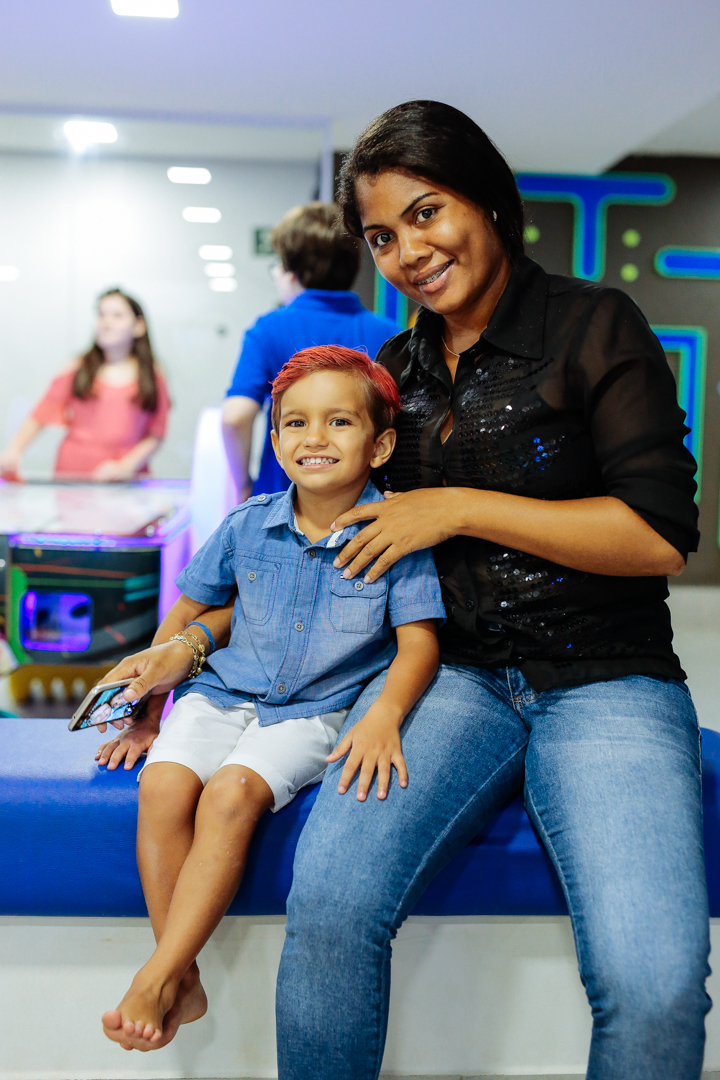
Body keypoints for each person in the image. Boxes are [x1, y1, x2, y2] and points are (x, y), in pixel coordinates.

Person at [100, 100, 712, 1080]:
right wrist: (182, 652)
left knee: (654, 982)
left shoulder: (594, 325)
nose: (408, 252)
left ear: (489, 201)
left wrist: (459, 506)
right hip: (446, 679)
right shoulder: (392, 372)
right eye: (382, 236)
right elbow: (292, 564)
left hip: (606, 678)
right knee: (330, 902)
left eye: (427, 213)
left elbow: (658, 536)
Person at [95, 345, 445, 1052]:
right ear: (276, 441)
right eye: (294, 423)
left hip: (314, 711)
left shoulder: (397, 533)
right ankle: (183, 976)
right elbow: (184, 617)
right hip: (221, 692)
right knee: (162, 785)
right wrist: (148, 711)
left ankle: (156, 975)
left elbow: (419, 643)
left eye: (339, 421)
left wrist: (384, 715)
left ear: (379, 446)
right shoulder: (246, 524)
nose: (314, 438)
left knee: (231, 795)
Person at [222, 201, 397, 502]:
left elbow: (235, 417)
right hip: (365, 506)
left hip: (283, 503)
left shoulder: (269, 328)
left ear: (291, 271)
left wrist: (242, 484)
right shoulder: (390, 333)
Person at [0, 289, 170, 480]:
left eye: (117, 316)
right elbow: (41, 414)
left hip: (127, 478)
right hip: (74, 473)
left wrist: (125, 466)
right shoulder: (77, 367)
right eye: (101, 315)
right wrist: (14, 450)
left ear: (139, 326)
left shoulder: (152, 374)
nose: (106, 322)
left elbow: (157, 433)